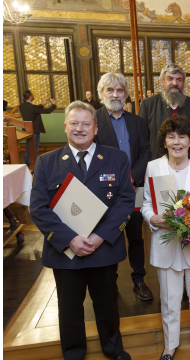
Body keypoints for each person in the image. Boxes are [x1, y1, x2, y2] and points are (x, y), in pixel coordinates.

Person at [29, 101, 134, 360]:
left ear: (95, 128)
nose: (79, 128)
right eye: (74, 123)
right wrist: (70, 240)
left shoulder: (116, 158)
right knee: (69, 309)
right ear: (65, 127)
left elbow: (125, 201)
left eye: (85, 123)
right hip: (66, 252)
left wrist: (100, 237)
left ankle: (113, 350)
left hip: (103, 248)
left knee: (108, 305)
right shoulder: (46, 162)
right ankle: (74, 354)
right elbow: (39, 208)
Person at [141, 115, 190, 360]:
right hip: (167, 243)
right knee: (169, 299)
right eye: (171, 137)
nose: (176, 142)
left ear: (189, 141)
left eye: (182, 136)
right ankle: (170, 345)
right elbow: (146, 204)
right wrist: (153, 218)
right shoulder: (154, 167)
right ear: (164, 141)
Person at [94, 72, 153, 301]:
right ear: (102, 94)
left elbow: (146, 152)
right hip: (105, 190)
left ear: (126, 94)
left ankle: (139, 280)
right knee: (110, 235)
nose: (115, 95)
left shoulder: (137, 121)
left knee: (136, 235)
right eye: (110, 90)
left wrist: (132, 177)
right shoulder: (94, 120)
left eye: (119, 90)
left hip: (135, 189)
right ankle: (111, 282)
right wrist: (117, 180)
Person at [139, 64, 190, 160]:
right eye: (170, 79)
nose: (174, 83)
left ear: (183, 82)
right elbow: (141, 139)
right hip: (158, 164)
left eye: (179, 79)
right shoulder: (148, 105)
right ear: (162, 81)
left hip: (187, 163)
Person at [19, 90, 57, 167]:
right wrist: (54, 104)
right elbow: (48, 111)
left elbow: (34, 108)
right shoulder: (32, 107)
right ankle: (32, 166)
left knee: (27, 150)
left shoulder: (22, 106)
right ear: (30, 97)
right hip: (34, 131)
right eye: (32, 94)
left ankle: (27, 166)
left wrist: (43, 103)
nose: (33, 95)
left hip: (26, 130)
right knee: (33, 150)